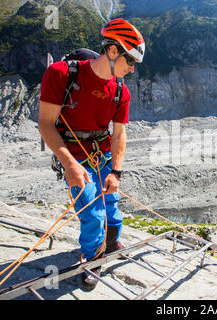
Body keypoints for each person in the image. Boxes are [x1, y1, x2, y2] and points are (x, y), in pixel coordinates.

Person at [38, 18, 145, 290]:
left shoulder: (121, 91)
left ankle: (111, 242)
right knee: (93, 213)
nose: (132, 69)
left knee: (112, 205)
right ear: (112, 51)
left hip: (103, 155)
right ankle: (93, 259)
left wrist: (116, 172)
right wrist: (70, 165)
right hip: (75, 158)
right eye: (129, 60)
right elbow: (46, 124)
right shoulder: (61, 74)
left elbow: (119, 134)